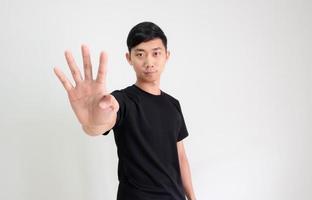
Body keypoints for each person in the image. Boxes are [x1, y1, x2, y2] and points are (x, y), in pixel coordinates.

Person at [54, 21, 196, 200]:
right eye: (140, 54)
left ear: (166, 56)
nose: (149, 62)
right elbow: (99, 124)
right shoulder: (121, 101)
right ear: (129, 58)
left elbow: (180, 156)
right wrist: (91, 121)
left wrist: (192, 197)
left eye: (156, 53)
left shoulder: (173, 104)